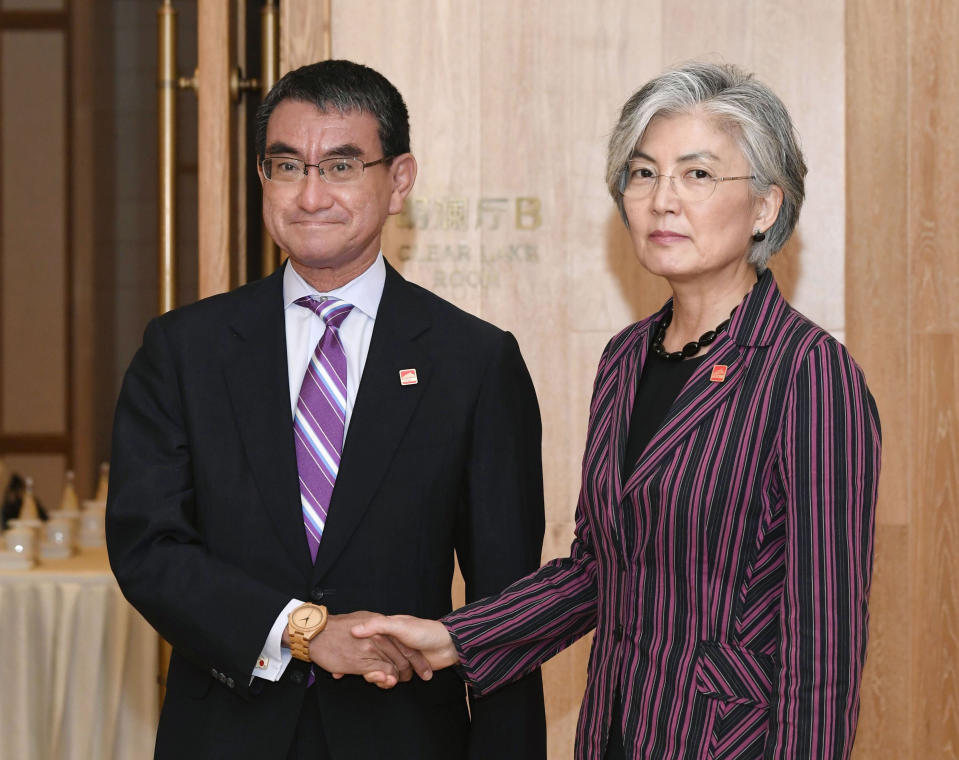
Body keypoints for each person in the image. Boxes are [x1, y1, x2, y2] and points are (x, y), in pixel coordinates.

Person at [354, 61, 882, 760]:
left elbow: (824, 645)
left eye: (696, 175)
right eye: (641, 174)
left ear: (764, 205)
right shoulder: (626, 356)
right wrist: (454, 637)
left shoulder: (808, 372)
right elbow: (598, 570)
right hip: (614, 730)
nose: (662, 200)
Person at [105, 59, 546, 760]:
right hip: (224, 734)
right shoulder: (183, 349)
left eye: (341, 167)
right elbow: (148, 547)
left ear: (398, 180)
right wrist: (301, 629)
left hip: (403, 738)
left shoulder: (473, 361)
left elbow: (507, 612)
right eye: (286, 166)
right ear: (262, 177)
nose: (310, 195)